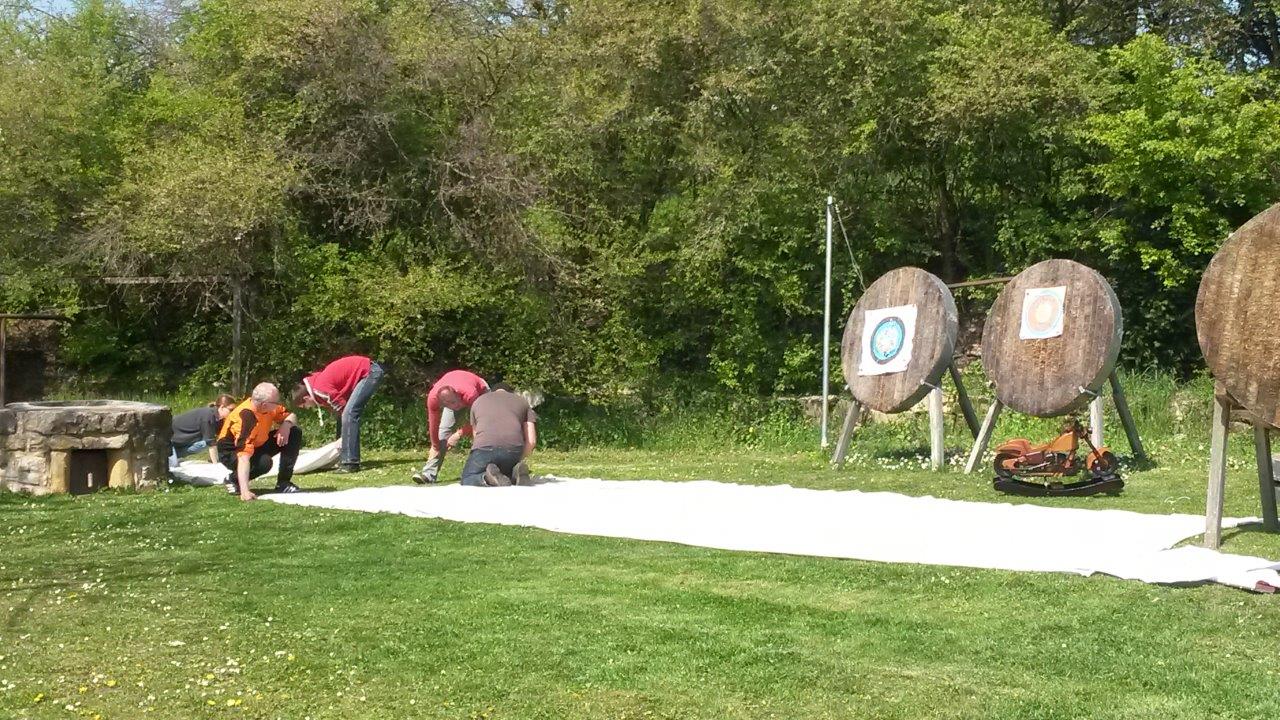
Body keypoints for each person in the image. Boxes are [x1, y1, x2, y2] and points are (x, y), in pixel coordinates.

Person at [291, 355, 384, 473]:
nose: (308, 408)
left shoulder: (320, 389)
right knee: (345, 414)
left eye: (305, 406)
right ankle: (343, 456)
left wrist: (343, 439)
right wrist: (341, 440)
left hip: (369, 372)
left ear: (306, 398)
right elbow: (339, 410)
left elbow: (345, 410)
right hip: (367, 370)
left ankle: (350, 463)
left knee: (349, 414)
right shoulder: (318, 386)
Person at [217, 382, 303, 501]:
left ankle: (283, 483)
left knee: (294, 432)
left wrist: (286, 425)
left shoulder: (269, 408)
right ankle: (233, 479)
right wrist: (245, 491)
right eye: (276, 402)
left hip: (257, 443)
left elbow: (291, 415)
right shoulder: (246, 417)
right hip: (231, 451)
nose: (279, 404)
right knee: (264, 463)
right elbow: (243, 456)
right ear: (264, 405)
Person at [411, 369, 489, 484]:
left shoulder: (470, 394)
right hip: (453, 394)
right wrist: (435, 446)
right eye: (447, 404)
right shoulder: (433, 399)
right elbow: (433, 426)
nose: (454, 406)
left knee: (483, 432)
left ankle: (486, 471)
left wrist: (458, 434)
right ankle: (428, 474)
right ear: (441, 403)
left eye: (453, 402)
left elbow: (481, 420)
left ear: (457, 394)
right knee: (443, 433)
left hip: (480, 391)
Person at [459, 384, 538, 487]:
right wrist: (519, 458)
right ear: (511, 392)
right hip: (513, 449)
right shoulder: (522, 401)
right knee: (505, 471)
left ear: (492, 391)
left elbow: (476, 436)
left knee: (467, 478)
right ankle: (515, 472)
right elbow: (531, 441)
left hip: (484, 448)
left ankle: (487, 478)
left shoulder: (478, 401)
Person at [171, 394, 237, 464]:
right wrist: (216, 464)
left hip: (182, 440)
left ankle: (175, 457)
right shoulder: (208, 416)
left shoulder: (218, 419)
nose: (233, 412)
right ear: (222, 407)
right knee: (173, 464)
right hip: (169, 440)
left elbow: (220, 438)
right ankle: (171, 457)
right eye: (231, 410)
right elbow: (211, 443)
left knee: (204, 444)